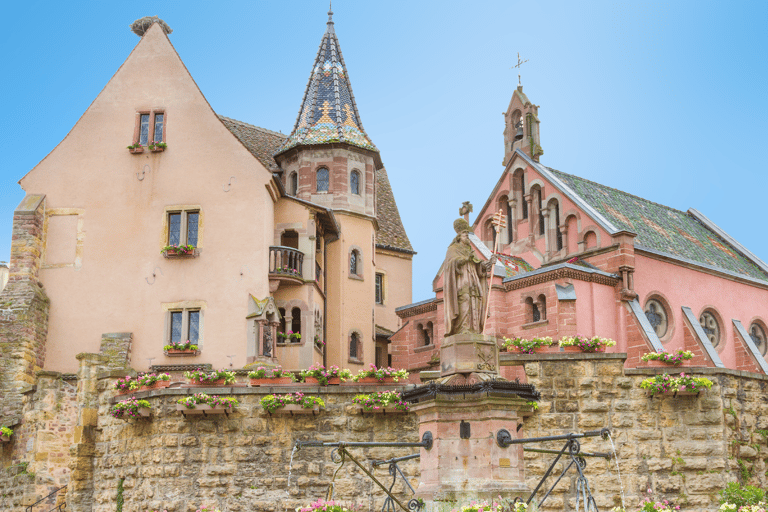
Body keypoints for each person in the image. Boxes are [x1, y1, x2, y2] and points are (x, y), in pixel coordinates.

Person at [443, 218, 495, 336]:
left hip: (473, 280)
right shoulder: (453, 249)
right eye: (465, 235)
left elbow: (478, 265)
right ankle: (462, 328)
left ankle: (474, 329)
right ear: (459, 237)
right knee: (464, 300)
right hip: (462, 280)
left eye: (467, 235)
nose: (467, 236)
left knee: (474, 302)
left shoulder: (470, 249)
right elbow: (450, 263)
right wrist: (465, 259)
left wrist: (488, 263)